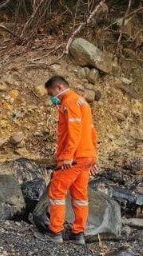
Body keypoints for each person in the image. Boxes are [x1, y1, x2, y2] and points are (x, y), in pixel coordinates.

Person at [34, 75, 98, 245]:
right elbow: (91, 131)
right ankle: (79, 234)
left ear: (59, 87)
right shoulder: (82, 102)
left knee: (57, 193)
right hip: (86, 156)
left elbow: (74, 132)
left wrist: (68, 156)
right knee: (80, 196)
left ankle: (55, 233)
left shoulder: (69, 102)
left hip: (74, 157)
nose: (51, 98)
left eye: (51, 94)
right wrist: (93, 156)